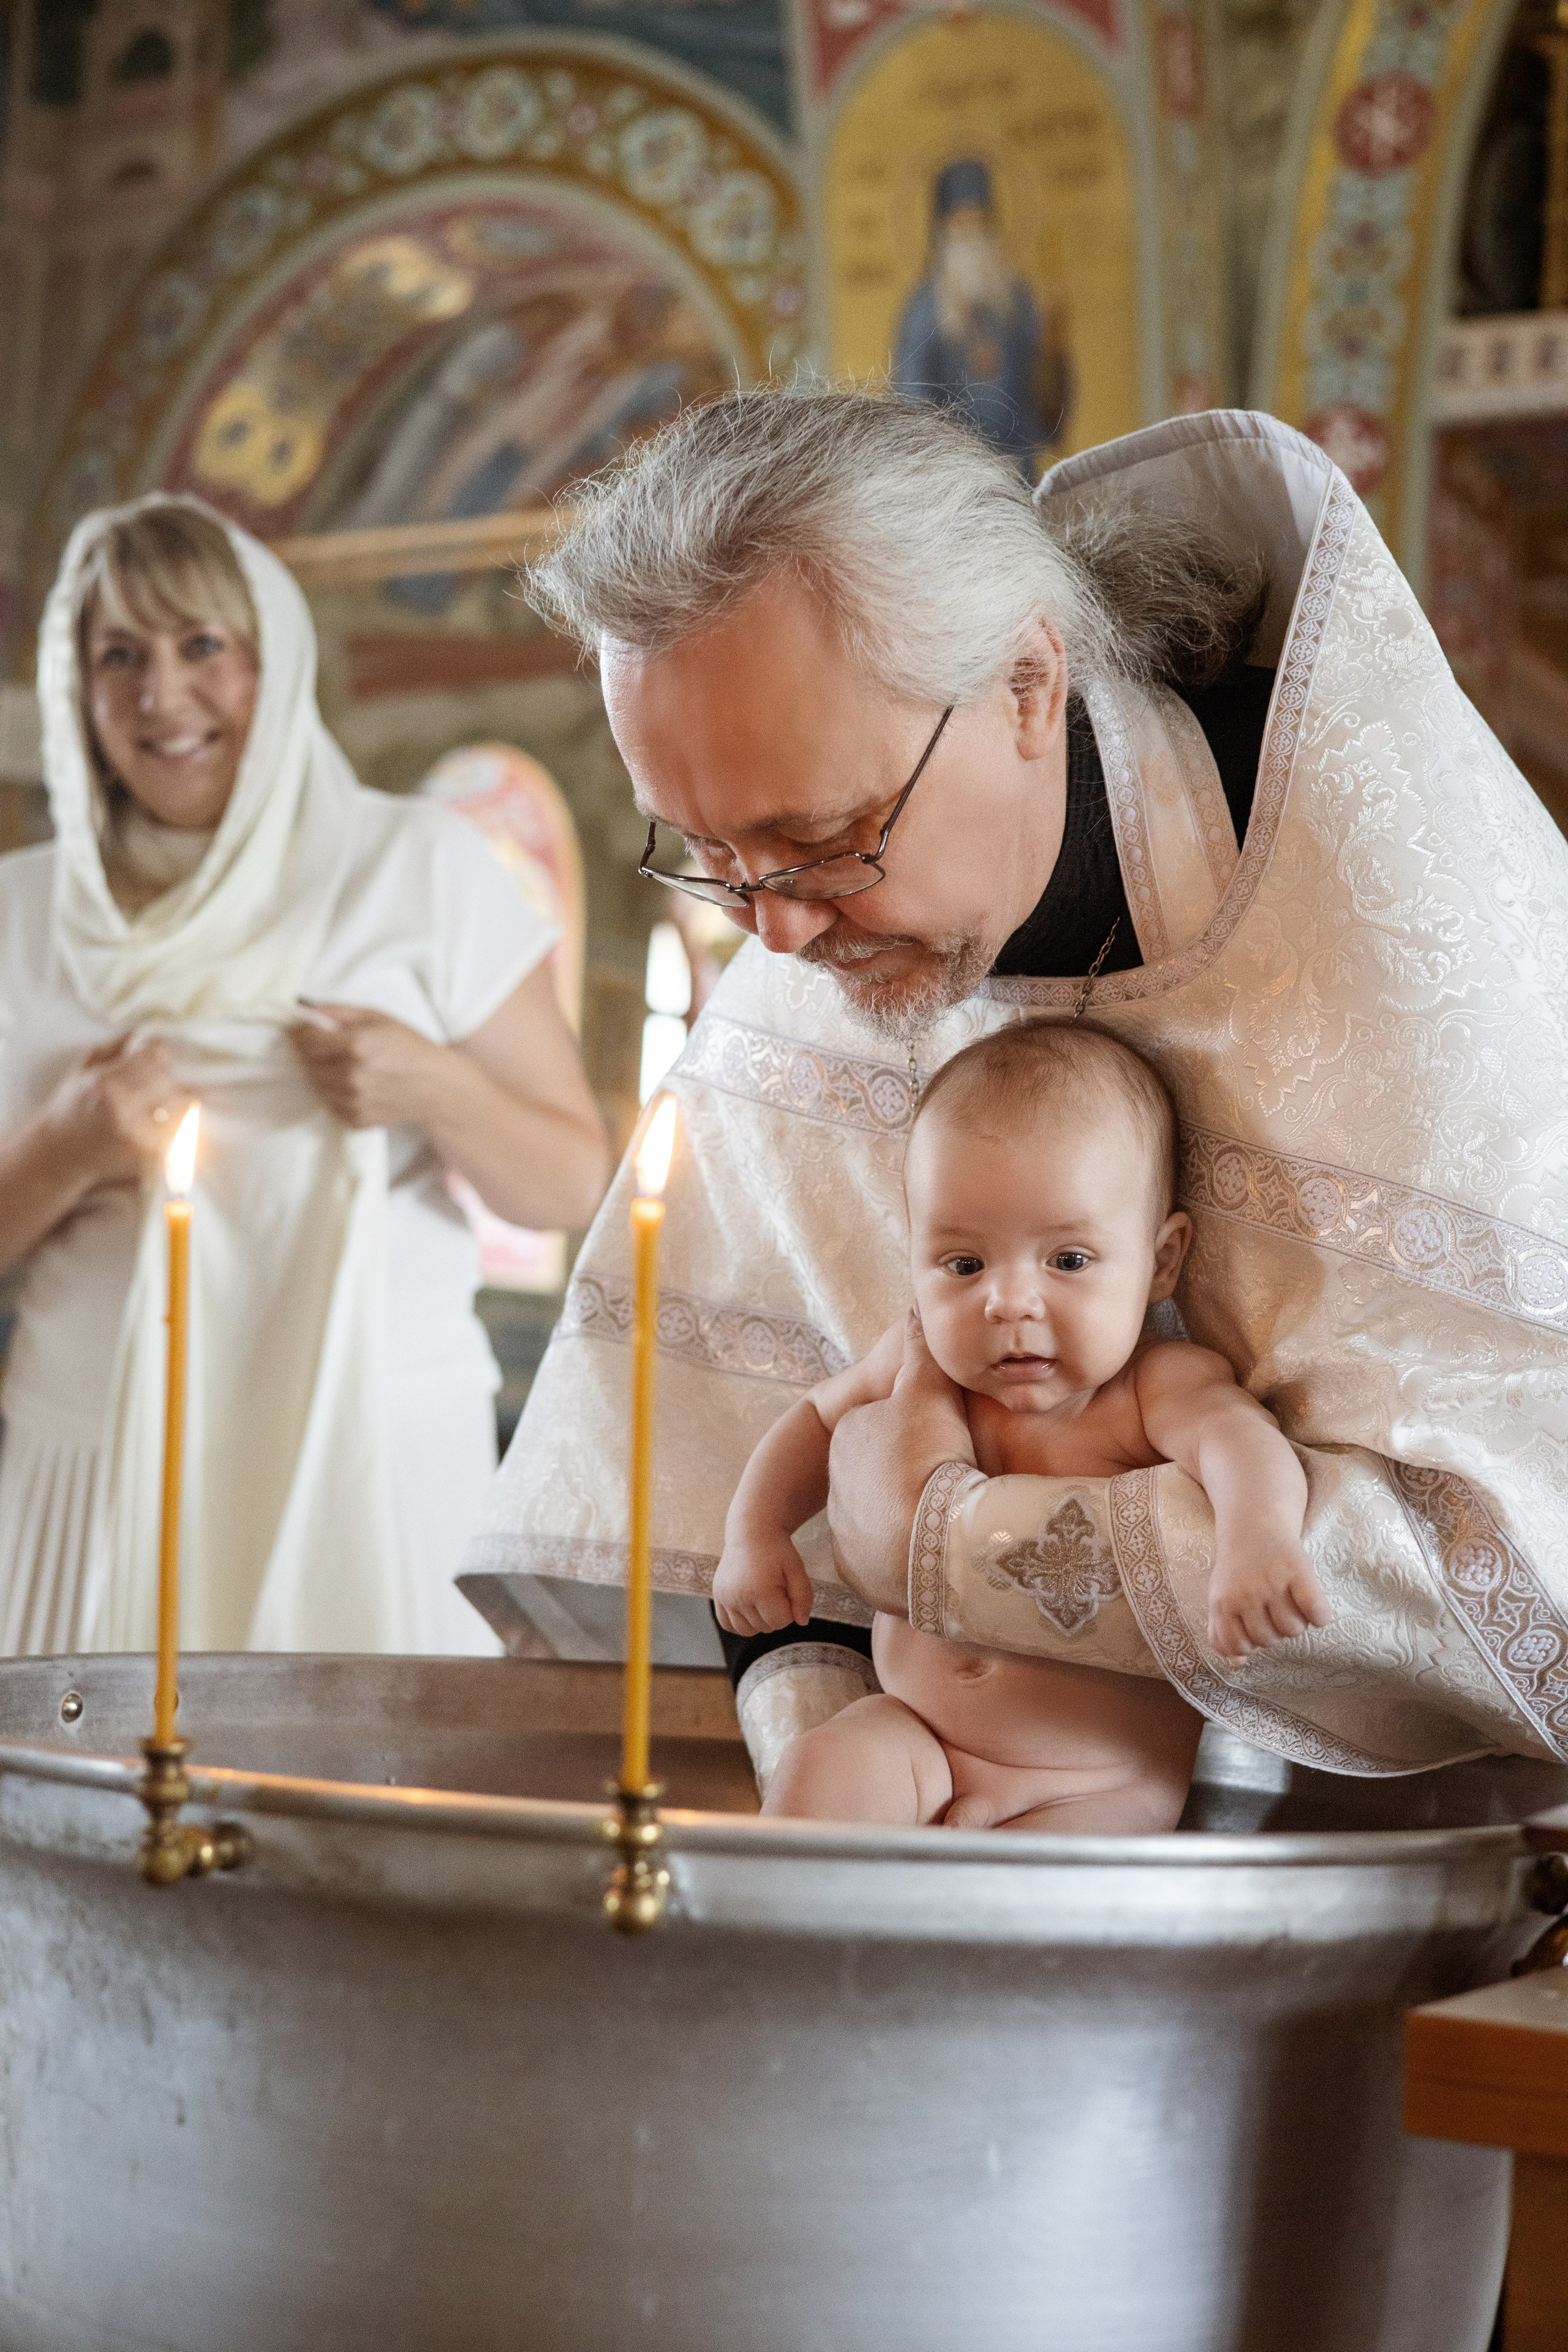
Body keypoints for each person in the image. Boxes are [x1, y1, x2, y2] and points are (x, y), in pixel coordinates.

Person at [462, 388, 1568, 1793]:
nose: (781, 933)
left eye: (823, 842)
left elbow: (1514, 1554)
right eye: (709, 857)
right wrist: (871, 1845)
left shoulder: (1406, 942)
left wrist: (937, 1542)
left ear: (1027, 687)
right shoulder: (804, 953)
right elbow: (726, 1512)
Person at [0, 495, 608, 1658]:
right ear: (73, 686)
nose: (160, 697)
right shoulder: (20, 911)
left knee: (369, 1820)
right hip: (95, 1451)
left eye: (202, 647)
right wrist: (73, 1139)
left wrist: (435, 1088)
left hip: (376, 1441)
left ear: (273, 665)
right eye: (115, 656)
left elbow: (571, 1182)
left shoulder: (418, 867)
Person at [714, 1023, 1325, 1829]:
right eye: (964, 1265)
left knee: (1027, 1919)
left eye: (1067, 1260)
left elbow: (1242, 1442)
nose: (1008, 1301)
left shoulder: (1154, 1388)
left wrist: (1257, 1541)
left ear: (1163, 1260)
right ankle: (782, 1938)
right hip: (916, 1734)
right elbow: (815, 1419)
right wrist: (755, 1534)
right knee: (819, 1766)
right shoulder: (918, 1357)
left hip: (1096, 1781)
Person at [893, 156, 1071, 474]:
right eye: (960, 225)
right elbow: (912, 406)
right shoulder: (923, 312)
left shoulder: (1017, 300)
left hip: (1020, 476)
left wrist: (1053, 351)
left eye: (980, 224)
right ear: (942, 233)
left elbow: (1046, 418)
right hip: (957, 483)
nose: (972, 238)